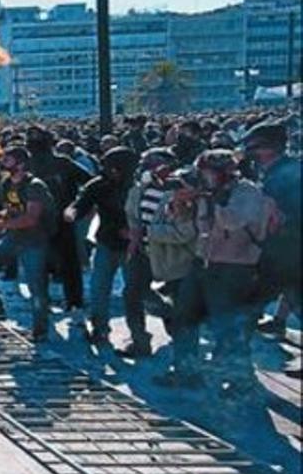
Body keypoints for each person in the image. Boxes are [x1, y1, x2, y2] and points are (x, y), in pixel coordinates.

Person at [155, 150, 274, 398]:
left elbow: (232, 221)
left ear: (223, 173)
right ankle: (186, 370)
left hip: (235, 266)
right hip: (203, 261)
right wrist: (180, 201)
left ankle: (240, 381)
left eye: (207, 173)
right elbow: (191, 223)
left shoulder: (246, 191)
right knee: (183, 316)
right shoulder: (206, 193)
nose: (203, 178)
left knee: (228, 326)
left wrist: (209, 198)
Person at [0, 146, 56, 341]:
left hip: (34, 240)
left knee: (36, 286)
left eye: (8, 160)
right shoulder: (6, 184)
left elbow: (31, 218)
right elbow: (12, 210)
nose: (3, 163)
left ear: (20, 164)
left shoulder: (35, 186)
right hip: (13, 237)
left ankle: (40, 330)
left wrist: (0, 224)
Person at [66, 147, 143, 350]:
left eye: (114, 168)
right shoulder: (99, 185)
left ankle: (140, 336)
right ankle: (100, 329)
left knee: (134, 293)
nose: (110, 171)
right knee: (99, 288)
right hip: (106, 242)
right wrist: (72, 212)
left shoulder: (140, 186)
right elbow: (80, 204)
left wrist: (136, 232)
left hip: (133, 246)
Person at [243, 122, 301, 378]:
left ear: (270, 148)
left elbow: (280, 214)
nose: (250, 151)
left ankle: (235, 366)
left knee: (252, 303)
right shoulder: (278, 171)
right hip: (281, 250)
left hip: (287, 249)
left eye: (255, 147)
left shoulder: (286, 174)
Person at [126, 149, 196, 342]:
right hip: (143, 250)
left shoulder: (180, 192)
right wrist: (135, 234)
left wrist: (151, 233)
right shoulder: (141, 188)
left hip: (171, 256)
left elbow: (185, 232)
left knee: (179, 304)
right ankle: (139, 340)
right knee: (133, 293)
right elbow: (133, 214)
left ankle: (184, 351)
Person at [27, 126, 91, 314]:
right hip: (57, 219)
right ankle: (74, 302)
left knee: (41, 264)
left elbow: (89, 183)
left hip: (43, 221)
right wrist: (79, 206)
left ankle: (44, 302)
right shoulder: (63, 163)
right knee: (68, 264)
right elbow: (89, 182)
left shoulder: (32, 165)